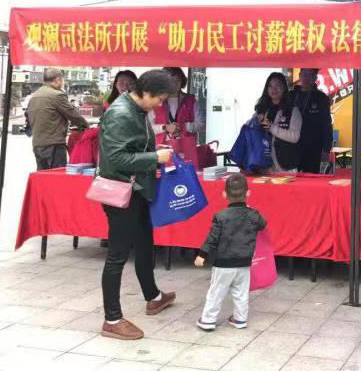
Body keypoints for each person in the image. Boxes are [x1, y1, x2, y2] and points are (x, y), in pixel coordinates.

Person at [98, 69, 177, 340]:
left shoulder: (138, 109)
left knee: (145, 243)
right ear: (146, 92)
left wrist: (154, 154)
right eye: (160, 99)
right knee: (117, 255)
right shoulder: (120, 113)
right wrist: (154, 158)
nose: (160, 105)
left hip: (138, 189)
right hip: (122, 192)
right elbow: (116, 158)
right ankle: (112, 319)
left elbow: (134, 148)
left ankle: (153, 296)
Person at [195, 173, 267, 331]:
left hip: (224, 263)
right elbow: (263, 224)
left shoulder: (221, 216)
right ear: (248, 193)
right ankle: (240, 319)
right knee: (241, 293)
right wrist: (251, 210)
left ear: (224, 194)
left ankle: (208, 320)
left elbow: (212, 238)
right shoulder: (253, 214)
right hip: (244, 262)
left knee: (216, 292)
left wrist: (202, 255)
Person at [27, 68, 89, 170]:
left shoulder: (35, 95)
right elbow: (74, 115)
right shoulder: (57, 95)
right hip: (54, 144)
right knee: (57, 175)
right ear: (58, 80)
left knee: (43, 176)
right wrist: (87, 127)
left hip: (37, 144)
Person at [254, 72, 303, 173]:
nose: (274, 89)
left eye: (277, 85)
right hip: (265, 166)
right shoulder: (261, 109)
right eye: (270, 86)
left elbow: (295, 137)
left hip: (286, 167)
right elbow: (251, 131)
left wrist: (271, 127)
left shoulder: (293, 110)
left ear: (284, 88)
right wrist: (255, 123)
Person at [149, 67, 204, 145]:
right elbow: (148, 128)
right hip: (162, 148)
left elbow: (201, 125)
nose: (174, 84)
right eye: (170, 81)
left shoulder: (191, 100)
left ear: (182, 81)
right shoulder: (155, 101)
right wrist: (165, 127)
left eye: (177, 80)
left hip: (186, 147)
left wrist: (184, 126)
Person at [292, 69, 333, 173]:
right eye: (304, 75)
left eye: (310, 75)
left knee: (311, 177)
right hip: (291, 146)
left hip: (314, 147)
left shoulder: (321, 98)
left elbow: (327, 124)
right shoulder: (290, 95)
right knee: (291, 178)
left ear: (315, 78)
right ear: (299, 76)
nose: (307, 78)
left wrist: (326, 149)